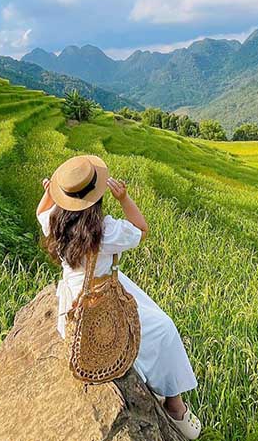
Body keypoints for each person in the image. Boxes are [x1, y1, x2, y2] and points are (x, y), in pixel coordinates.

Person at [36, 155, 203, 439]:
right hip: (102, 299)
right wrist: (124, 198)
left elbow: (41, 209)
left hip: (73, 304)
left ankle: (163, 394)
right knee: (163, 329)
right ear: (97, 196)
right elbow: (141, 229)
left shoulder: (53, 221)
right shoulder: (105, 229)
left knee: (148, 317)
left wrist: (49, 193)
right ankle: (175, 405)